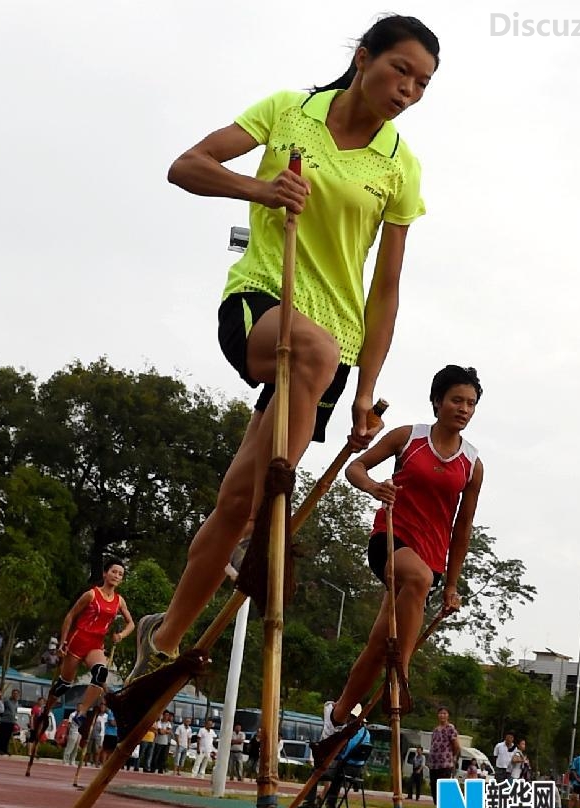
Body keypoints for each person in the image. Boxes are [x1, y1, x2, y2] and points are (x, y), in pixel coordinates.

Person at [125, 15, 441, 687]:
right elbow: (187, 166)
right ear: (363, 57)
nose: (408, 90)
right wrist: (261, 190)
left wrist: (364, 391)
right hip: (265, 299)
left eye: (422, 84)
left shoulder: (399, 168)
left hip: (333, 351)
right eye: (401, 70)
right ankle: (271, 528)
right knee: (313, 349)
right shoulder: (287, 112)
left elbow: (385, 292)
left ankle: (163, 638)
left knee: (238, 502)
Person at [322, 365, 483, 734]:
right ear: (437, 402)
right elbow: (356, 468)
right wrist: (374, 488)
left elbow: (462, 529)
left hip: (432, 558)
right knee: (418, 576)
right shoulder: (408, 437)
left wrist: (453, 586)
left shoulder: (472, 464)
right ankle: (402, 672)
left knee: (379, 644)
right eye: (457, 400)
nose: (464, 409)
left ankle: (337, 717)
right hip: (391, 538)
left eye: (471, 404)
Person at [45, 558, 134, 731]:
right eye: (114, 572)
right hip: (78, 640)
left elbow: (131, 624)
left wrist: (121, 635)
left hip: (96, 643)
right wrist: (63, 642)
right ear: (105, 573)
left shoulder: (119, 601)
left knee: (101, 673)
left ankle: (82, 712)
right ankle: (46, 709)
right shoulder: (92, 594)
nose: (116, 576)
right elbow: (70, 616)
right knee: (64, 685)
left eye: (120, 574)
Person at [300, 705, 370, 808]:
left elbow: (342, 753)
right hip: (356, 771)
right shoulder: (366, 733)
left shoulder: (349, 731)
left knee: (315, 772)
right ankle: (331, 803)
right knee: (339, 772)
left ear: (351, 716)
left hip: (342, 769)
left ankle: (309, 802)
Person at [426, 707, 460, 808]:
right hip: (434, 764)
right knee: (434, 788)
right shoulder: (435, 730)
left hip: (445, 763)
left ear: (448, 715)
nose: (442, 715)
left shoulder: (450, 728)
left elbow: (456, 745)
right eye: (440, 713)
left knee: (443, 788)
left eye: (444, 713)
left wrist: (452, 757)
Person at [0, 688, 20, 755]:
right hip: (5, 721)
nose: (15, 695)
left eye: (17, 694)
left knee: (8, 736)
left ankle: (5, 749)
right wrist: (2, 716)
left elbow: (15, 712)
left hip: (11, 721)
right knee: (2, 736)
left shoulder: (17, 702)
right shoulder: (7, 701)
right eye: (14, 694)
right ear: (12, 694)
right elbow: (1, 707)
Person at [150, 710, 173, 774]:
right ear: (163, 715)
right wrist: (165, 731)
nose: (166, 716)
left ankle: (160, 769)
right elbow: (160, 732)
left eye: (168, 715)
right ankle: (153, 768)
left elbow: (169, 731)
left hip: (165, 742)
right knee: (155, 756)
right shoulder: (159, 722)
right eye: (165, 715)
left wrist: (165, 731)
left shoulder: (169, 723)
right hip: (158, 742)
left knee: (163, 757)